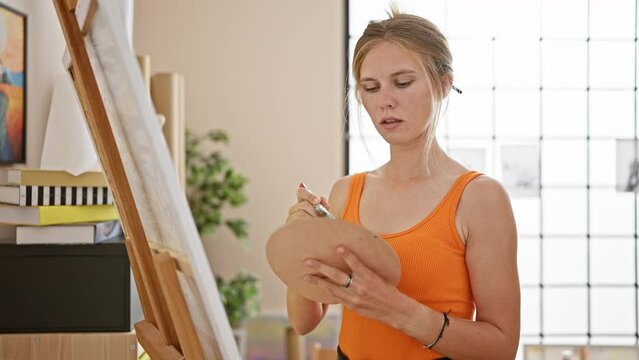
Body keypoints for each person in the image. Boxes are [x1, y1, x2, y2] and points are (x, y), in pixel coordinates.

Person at [285, 7, 520, 360]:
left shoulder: (479, 198)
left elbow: (501, 348)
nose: (386, 101)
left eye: (403, 82)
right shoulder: (346, 191)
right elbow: (304, 321)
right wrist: (300, 243)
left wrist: (395, 308)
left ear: (443, 85)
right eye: (371, 88)